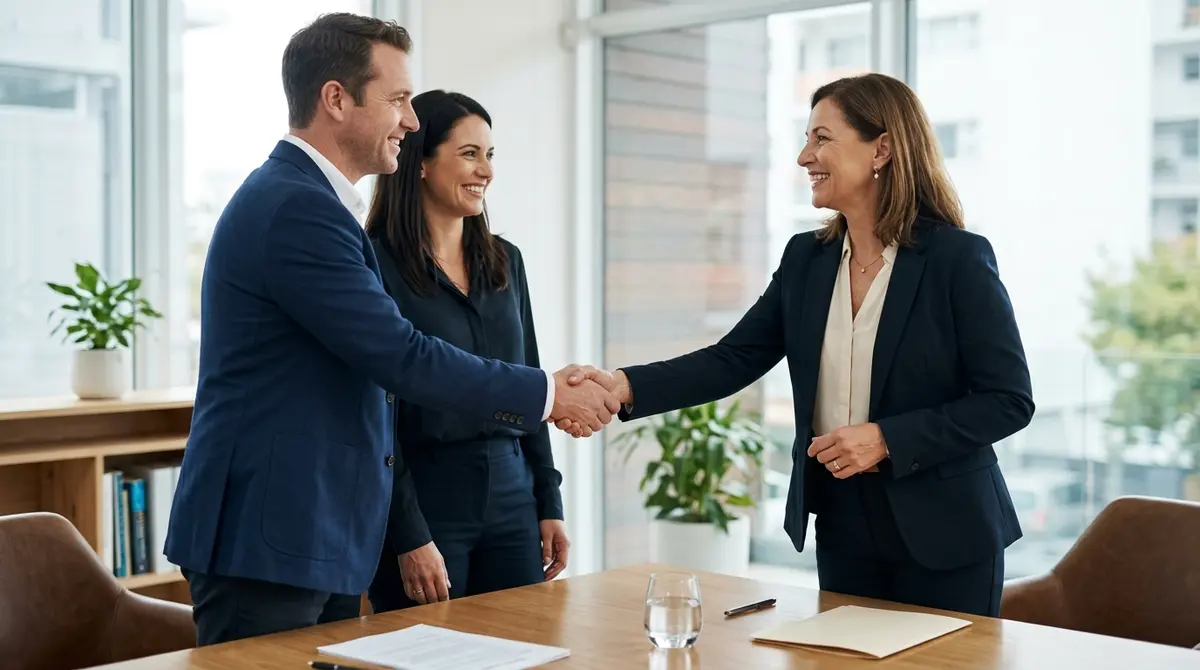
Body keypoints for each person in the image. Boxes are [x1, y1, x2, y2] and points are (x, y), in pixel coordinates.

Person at [163, 13, 616, 646]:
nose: (409, 119)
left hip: (314, 531)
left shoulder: (314, 205)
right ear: (337, 99)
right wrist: (547, 394)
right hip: (269, 533)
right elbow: (400, 358)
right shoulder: (297, 208)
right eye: (398, 99)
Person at [561, 73, 1034, 617]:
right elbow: (734, 358)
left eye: (822, 138)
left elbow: (1008, 399)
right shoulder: (806, 259)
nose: (804, 156)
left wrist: (887, 439)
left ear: (881, 147)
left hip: (949, 531)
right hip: (842, 521)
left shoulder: (957, 260)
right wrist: (620, 385)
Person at [362, 90, 570, 613]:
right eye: (470, 154)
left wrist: (549, 501)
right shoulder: (374, 265)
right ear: (422, 164)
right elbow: (376, 412)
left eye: (491, 155)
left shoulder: (507, 262)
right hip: (426, 497)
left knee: (524, 650)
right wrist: (407, 533)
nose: (487, 171)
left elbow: (531, 383)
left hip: (512, 494)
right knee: (428, 654)